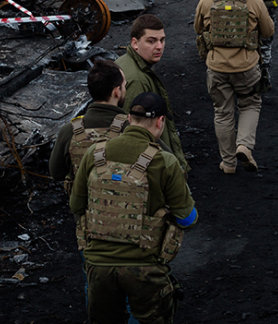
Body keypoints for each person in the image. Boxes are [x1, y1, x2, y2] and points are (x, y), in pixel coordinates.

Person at [71, 92, 197, 324]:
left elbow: (76, 205)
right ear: (160, 121)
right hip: (144, 267)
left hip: (98, 267)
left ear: (129, 118)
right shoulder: (166, 162)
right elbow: (187, 218)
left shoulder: (95, 153)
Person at [194, 0, 274, 174]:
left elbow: (198, 28)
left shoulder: (207, 0)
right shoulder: (255, 2)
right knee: (250, 104)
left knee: (222, 113)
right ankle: (244, 145)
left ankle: (228, 163)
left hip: (217, 67)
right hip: (247, 67)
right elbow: (268, 32)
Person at [116, 15, 189, 173]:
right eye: (151, 41)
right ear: (135, 43)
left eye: (162, 40)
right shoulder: (137, 79)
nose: (159, 46)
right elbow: (130, 129)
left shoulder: (126, 62)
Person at [49, 60, 128, 186]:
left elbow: (56, 173)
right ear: (117, 91)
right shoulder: (131, 128)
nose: (125, 90)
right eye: (124, 86)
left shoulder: (69, 130)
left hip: (83, 204)